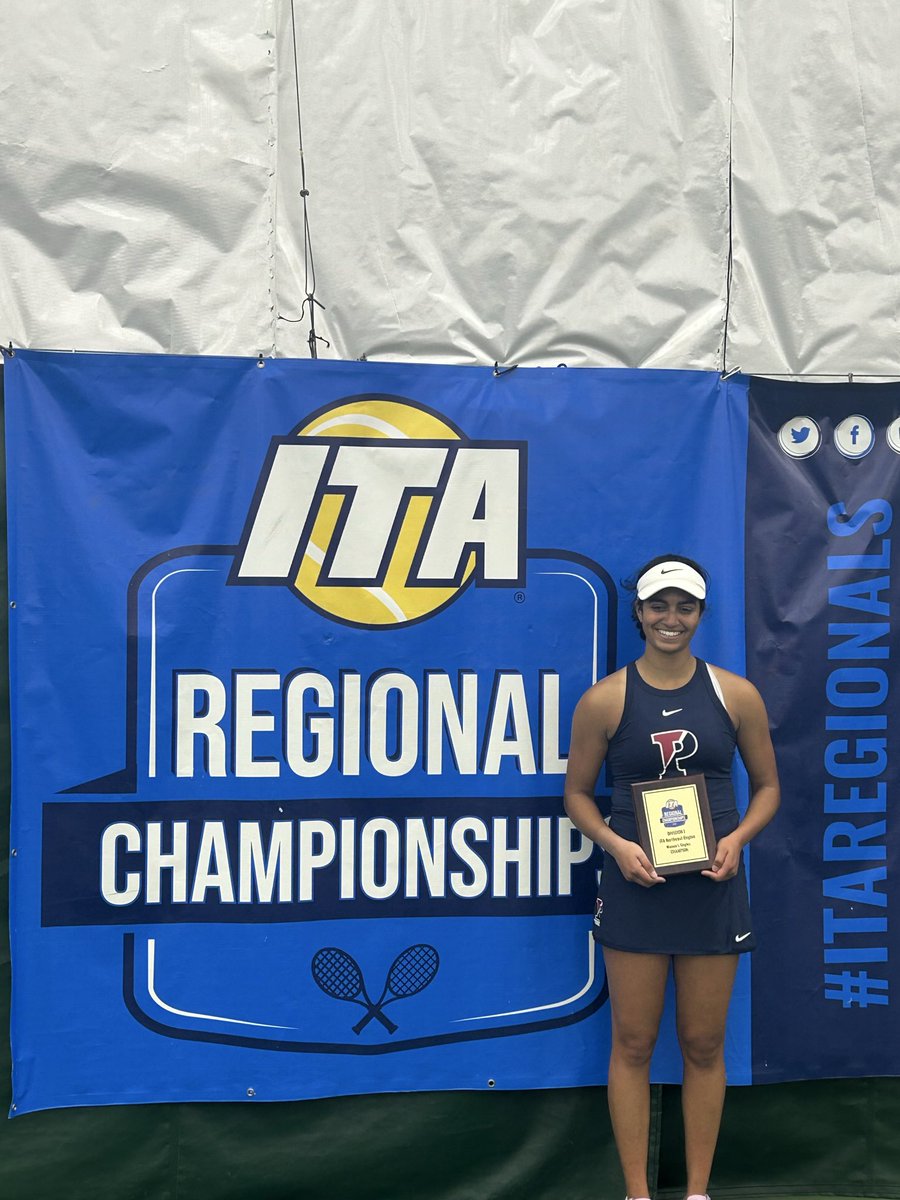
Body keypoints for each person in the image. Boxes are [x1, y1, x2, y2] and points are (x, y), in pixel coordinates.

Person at [564, 555, 779, 1200]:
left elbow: (768, 788)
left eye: (685, 607)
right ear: (638, 612)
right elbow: (576, 795)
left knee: (704, 1042)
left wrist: (739, 839)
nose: (671, 619)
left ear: (701, 615)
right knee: (632, 1042)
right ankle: (637, 1192)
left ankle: (697, 1192)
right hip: (636, 889)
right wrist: (616, 846)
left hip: (712, 890)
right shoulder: (604, 699)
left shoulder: (735, 694)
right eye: (659, 606)